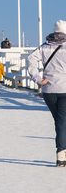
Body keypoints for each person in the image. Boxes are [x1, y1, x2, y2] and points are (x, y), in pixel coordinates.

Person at [28, 20, 66, 167]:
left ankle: (62, 153)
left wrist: (38, 78)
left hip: (48, 90)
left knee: (60, 121)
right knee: (62, 121)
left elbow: (30, 59)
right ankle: (61, 154)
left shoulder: (44, 47)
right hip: (64, 89)